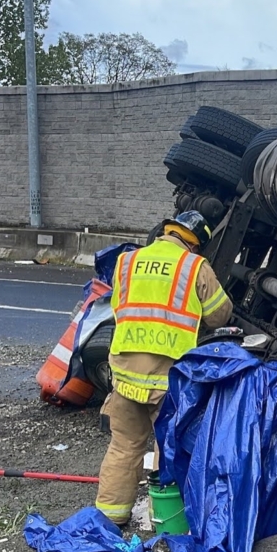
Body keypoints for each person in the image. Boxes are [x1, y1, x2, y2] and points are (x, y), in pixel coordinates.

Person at [95, 210, 232, 526]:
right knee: (167, 448)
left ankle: (109, 517)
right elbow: (219, 316)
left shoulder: (127, 262)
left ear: (166, 230)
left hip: (125, 372)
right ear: (195, 243)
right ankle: (165, 520)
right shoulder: (194, 266)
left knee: (124, 444)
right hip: (166, 378)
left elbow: (120, 306)